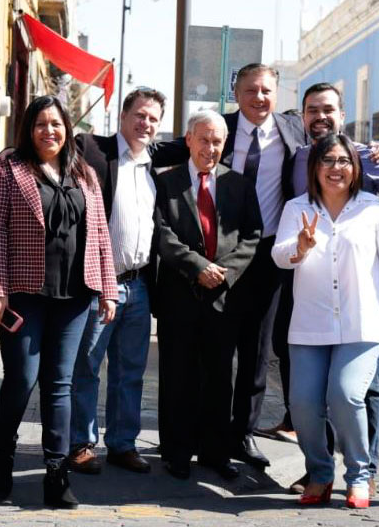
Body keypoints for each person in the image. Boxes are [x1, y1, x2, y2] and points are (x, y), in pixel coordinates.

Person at [0, 95, 118, 509]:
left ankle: (56, 474)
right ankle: (3, 455)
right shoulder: (7, 169)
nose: (49, 131)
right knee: (22, 379)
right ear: (28, 129)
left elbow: (99, 235)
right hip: (24, 296)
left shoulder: (85, 174)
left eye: (56, 124)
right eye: (40, 124)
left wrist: (108, 289)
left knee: (60, 386)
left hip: (75, 297)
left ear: (67, 128)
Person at [272, 133, 379, 508]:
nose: (336, 168)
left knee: (346, 394)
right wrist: (299, 247)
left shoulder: (374, 208)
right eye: (328, 161)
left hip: (364, 324)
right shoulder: (296, 208)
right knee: (302, 404)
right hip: (310, 325)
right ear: (314, 168)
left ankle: (359, 475)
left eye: (344, 161)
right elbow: (279, 255)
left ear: (356, 167)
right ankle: (319, 473)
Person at [67, 87, 185, 475]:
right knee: (87, 367)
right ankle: (82, 444)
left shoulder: (152, 163)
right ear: (123, 114)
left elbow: (199, 142)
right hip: (100, 284)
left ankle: (122, 443)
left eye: (153, 119)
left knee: (130, 371)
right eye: (139, 115)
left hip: (138, 286)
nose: (145, 123)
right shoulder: (93, 150)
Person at [154, 110, 262, 481]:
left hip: (224, 298)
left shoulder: (239, 184)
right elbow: (162, 234)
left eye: (217, 141)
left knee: (219, 378)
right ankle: (177, 451)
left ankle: (215, 453)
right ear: (188, 140)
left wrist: (225, 272)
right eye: (204, 139)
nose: (210, 148)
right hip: (179, 294)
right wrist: (196, 266)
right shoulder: (165, 183)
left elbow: (252, 235)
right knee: (178, 376)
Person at [221, 63, 306, 470]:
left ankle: (243, 435)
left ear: (277, 94)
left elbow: (334, 150)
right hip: (219, 256)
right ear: (236, 94)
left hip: (268, 257)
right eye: (251, 90)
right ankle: (212, 433)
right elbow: (171, 149)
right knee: (217, 351)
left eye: (267, 90)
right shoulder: (217, 130)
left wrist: (375, 151)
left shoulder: (293, 133)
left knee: (256, 354)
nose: (259, 97)